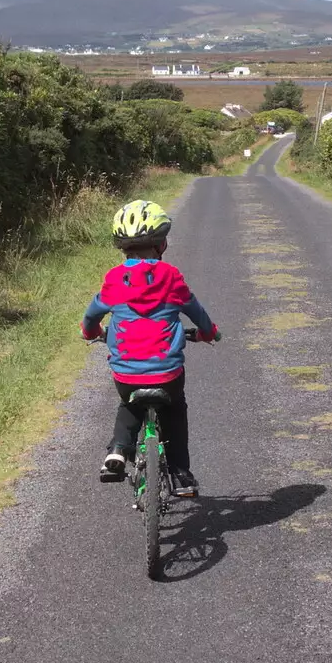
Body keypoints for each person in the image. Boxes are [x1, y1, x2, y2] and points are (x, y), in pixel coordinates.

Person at [82, 199, 218, 498]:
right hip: (167, 373)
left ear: (122, 247)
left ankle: (118, 450)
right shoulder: (171, 277)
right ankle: (180, 473)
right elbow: (197, 313)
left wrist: (91, 332)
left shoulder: (115, 280)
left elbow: (92, 315)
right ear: (161, 244)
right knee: (175, 408)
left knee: (129, 403)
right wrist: (209, 333)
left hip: (126, 372)